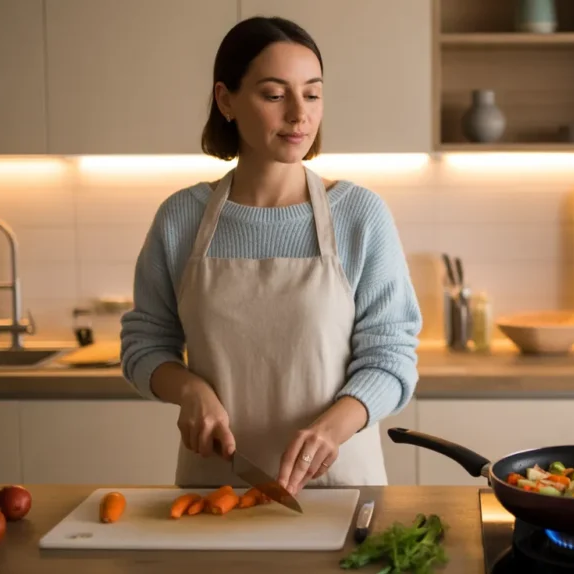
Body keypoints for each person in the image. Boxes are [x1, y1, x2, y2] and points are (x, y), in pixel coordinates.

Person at [119, 16, 422, 495]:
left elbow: (391, 357)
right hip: (215, 492)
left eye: (313, 93)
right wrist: (189, 390)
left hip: (339, 489)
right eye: (275, 95)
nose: (299, 114)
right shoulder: (181, 219)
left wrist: (334, 427)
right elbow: (143, 345)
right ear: (226, 101)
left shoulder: (360, 216)